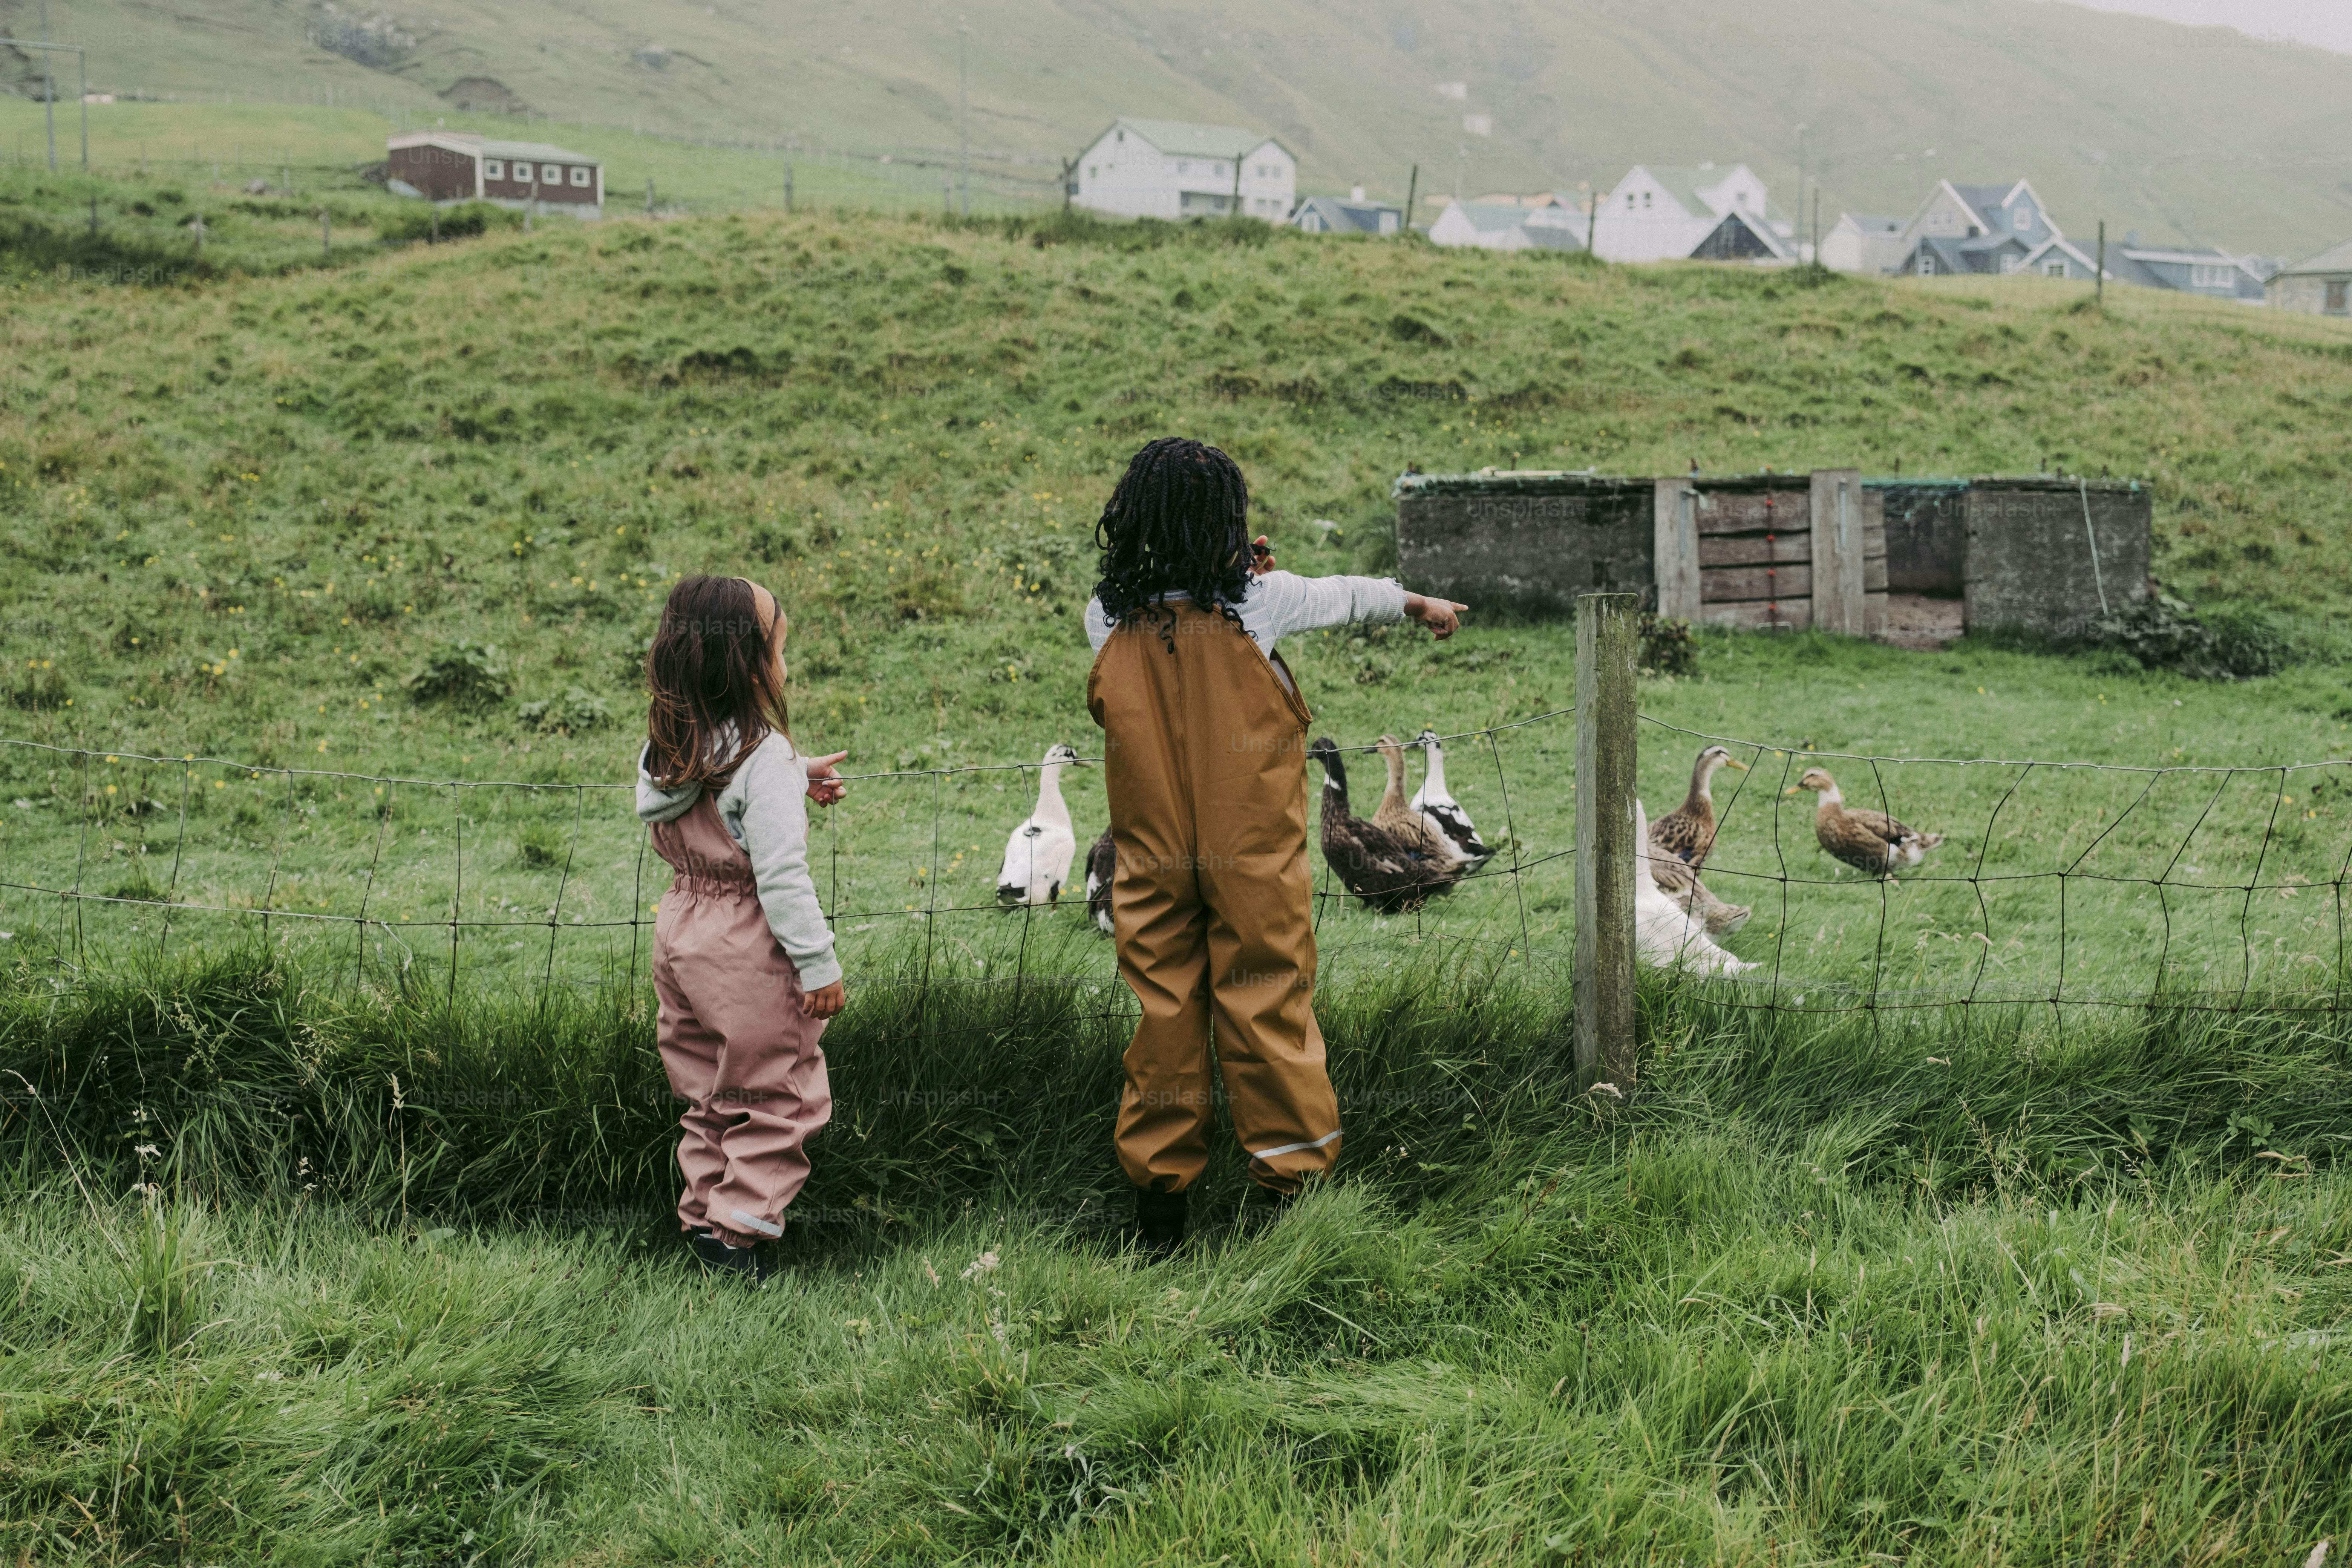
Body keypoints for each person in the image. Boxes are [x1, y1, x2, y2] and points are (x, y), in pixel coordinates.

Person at [1083, 437, 1465, 1254]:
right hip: (1252, 861)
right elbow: (1350, 594)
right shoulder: (1263, 603)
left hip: (1149, 862)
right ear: (1230, 525)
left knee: (1165, 1017)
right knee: (1269, 1007)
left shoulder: (1105, 617)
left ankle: (1160, 1214)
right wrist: (1419, 602)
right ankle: (1290, 1200)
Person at [636, 574, 848, 1284]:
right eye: (780, 649)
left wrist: (791, 776)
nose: (785, 665)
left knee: (709, 1093)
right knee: (777, 1097)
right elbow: (782, 877)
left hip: (681, 934)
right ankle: (736, 1243)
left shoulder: (667, 751)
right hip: (747, 946)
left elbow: (713, 789)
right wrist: (818, 966)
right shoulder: (767, 761)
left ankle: (703, 1218)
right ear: (751, 666)